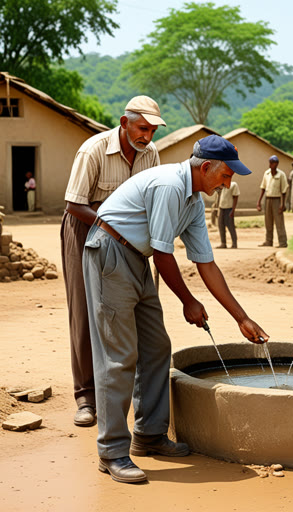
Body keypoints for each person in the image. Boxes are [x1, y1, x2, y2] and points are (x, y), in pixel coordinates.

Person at [82, 135, 268, 484]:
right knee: (119, 356)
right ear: (206, 167)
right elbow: (164, 253)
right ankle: (112, 452)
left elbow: (206, 263)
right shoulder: (169, 185)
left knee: (156, 347)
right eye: (226, 175)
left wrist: (241, 317)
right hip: (110, 251)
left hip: (136, 259)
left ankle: (149, 434)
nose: (228, 183)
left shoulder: (194, 202)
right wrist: (188, 300)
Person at [60, 96, 165, 428]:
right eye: (141, 128)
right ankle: (85, 397)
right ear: (124, 123)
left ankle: (127, 398)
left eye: (151, 130)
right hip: (84, 229)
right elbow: (74, 203)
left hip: (129, 237)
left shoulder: (151, 155)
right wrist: (114, 230)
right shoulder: (93, 150)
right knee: (86, 311)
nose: (146, 136)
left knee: (128, 311)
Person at [256, 155, 288, 248]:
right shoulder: (267, 173)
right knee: (268, 221)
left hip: (277, 199)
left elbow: (284, 191)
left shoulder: (281, 175)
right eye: (270, 162)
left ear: (277, 164)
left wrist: (282, 204)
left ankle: (283, 242)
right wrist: (259, 202)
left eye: (273, 162)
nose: (271, 164)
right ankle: (268, 241)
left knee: (279, 222)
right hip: (268, 199)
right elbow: (263, 188)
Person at [217, 180, 240, 249]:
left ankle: (234, 243)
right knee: (221, 225)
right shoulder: (221, 186)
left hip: (229, 208)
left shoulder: (233, 185)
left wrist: (233, 210)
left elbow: (235, 197)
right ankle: (223, 243)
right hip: (221, 208)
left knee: (230, 226)